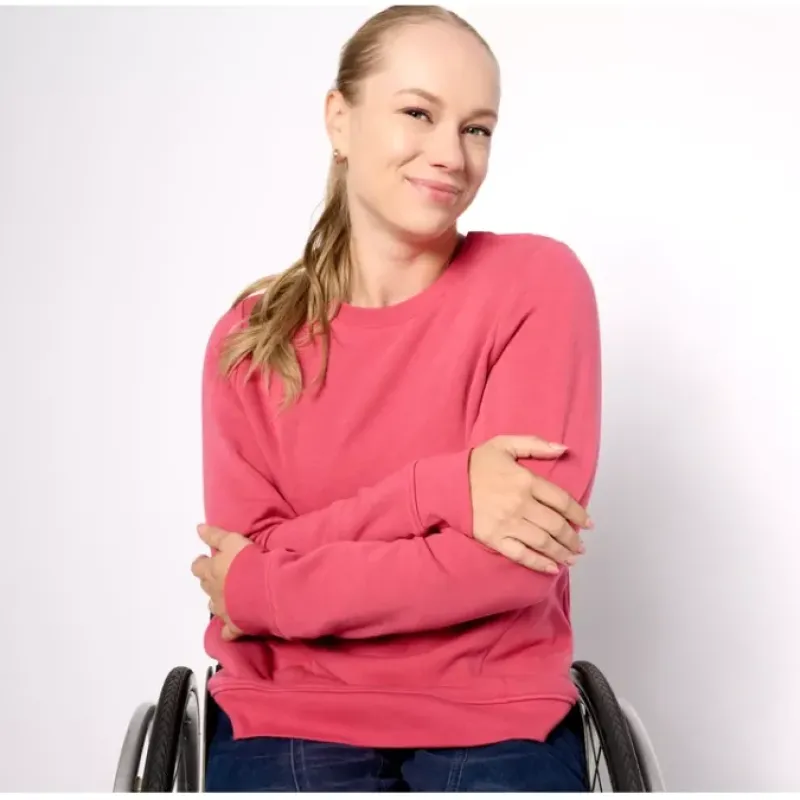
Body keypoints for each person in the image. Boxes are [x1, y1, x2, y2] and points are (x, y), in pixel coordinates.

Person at [190, 4, 601, 792]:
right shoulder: (250, 340)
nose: (451, 154)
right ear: (339, 120)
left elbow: (509, 570)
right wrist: (439, 491)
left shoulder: (536, 286)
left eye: (477, 128)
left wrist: (269, 588)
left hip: (491, 709)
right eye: (418, 113)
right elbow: (240, 554)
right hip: (290, 707)